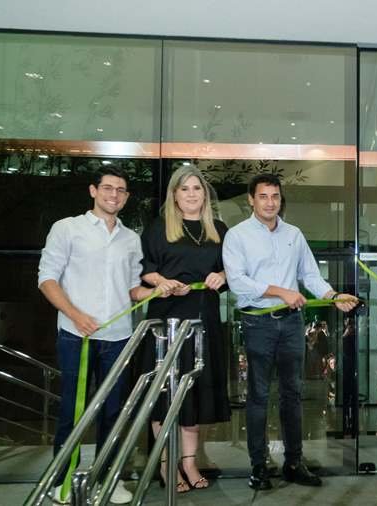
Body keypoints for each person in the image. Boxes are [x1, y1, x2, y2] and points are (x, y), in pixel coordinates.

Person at [222, 173, 358, 491]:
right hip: (258, 323)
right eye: (263, 196)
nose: (270, 202)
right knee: (258, 395)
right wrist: (280, 291)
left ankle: (294, 463)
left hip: (292, 324)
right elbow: (238, 282)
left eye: (275, 196)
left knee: (293, 394)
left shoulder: (293, 235)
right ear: (251, 200)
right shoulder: (237, 236)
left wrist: (333, 296)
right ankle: (259, 466)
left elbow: (310, 275)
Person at [38, 166, 156, 505]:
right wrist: (76, 315)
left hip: (118, 339)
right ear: (93, 190)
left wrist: (158, 291)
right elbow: (47, 279)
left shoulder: (131, 239)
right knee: (72, 413)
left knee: (114, 413)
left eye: (120, 190)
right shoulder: (67, 228)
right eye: (108, 188)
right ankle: (62, 481)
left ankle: (109, 479)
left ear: (126, 197)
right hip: (76, 336)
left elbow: (132, 289)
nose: (113, 195)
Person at [136, 166, 231, 493]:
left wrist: (223, 275)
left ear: (205, 194)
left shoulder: (219, 229)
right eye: (185, 188)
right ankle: (166, 463)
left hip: (205, 319)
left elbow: (234, 269)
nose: (192, 194)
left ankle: (189, 462)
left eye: (197, 188)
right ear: (174, 194)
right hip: (167, 320)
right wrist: (161, 281)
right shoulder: (158, 228)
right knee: (165, 394)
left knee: (196, 394)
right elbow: (144, 269)